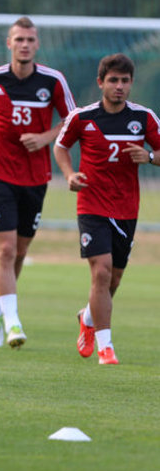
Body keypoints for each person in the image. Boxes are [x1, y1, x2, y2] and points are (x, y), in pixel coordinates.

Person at [0, 17, 76, 348]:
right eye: (19, 39)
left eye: (30, 39)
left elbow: (72, 121)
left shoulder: (53, 81)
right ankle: (13, 322)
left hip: (35, 175)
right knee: (5, 248)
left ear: (37, 44)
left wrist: (45, 137)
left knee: (21, 251)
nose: (24, 45)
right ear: (9, 43)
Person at [54, 54, 159, 365]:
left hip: (127, 208)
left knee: (113, 280)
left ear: (131, 84)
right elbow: (61, 146)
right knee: (100, 272)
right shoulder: (82, 118)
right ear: (101, 82)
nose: (119, 86)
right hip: (92, 204)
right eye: (113, 80)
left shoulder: (144, 118)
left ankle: (88, 317)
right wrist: (69, 175)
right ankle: (106, 347)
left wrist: (149, 157)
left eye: (125, 81)